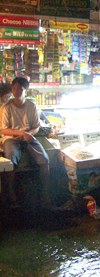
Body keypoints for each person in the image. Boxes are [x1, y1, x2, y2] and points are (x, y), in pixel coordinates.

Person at [1, 76, 50, 207]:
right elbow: (4, 130)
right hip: (11, 139)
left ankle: (46, 195)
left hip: (28, 138)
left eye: (20, 89)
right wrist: (21, 133)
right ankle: (12, 194)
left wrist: (27, 134)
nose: (16, 92)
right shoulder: (6, 107)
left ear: (26, 91)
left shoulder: (31, 106)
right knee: (11, 159)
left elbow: (36, 126)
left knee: (44, 159)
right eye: (14, 89)